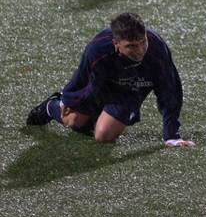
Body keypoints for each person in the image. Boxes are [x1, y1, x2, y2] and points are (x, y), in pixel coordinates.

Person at [25, 13, 194, 147]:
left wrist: (171, 136)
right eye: (131, 46)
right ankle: (50, 107)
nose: (140, 50)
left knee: (104, 135)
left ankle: (98, 122)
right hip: (101, 85)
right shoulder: (97, 49)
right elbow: (83, 78)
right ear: (116, 43)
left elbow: (170, 90)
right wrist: (69, 100)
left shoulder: (157, 50)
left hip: (130, 89)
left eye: (142, 42)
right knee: (74, 121)